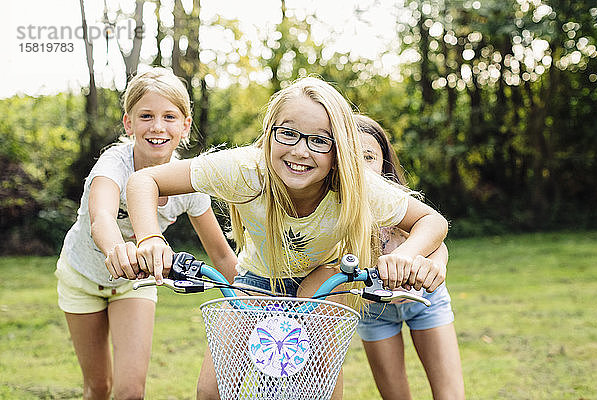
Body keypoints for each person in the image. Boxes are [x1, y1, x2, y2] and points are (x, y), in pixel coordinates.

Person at [124, 76, 449, 400]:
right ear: (269, 134)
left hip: (324, 275)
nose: (300, 151)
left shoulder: (354, 184)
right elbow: (144, 181)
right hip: (258, 277)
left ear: (339, 150)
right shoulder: (245, 169)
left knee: (318, 381)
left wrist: (406, 255)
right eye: (288, 134)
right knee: (212, 390)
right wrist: (150, 238)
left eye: (320, 141)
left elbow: (431, 221)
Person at [55, 67, 238, 400]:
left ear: (185, 126)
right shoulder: (113, 164)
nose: (157, 126)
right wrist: (117, 249)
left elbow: (222, 254)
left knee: (130, 393)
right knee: (99, 388)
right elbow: (102, 218)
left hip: (132, 286)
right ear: (129, 124)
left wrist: (255, 297)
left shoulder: (190, 182)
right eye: (146, 116)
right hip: (82, 277)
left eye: (169, 117)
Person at [355, 114, 465, 400]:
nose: (362, 166)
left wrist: (438, 265)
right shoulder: (332, 211)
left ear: (383, 162)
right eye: (352, 156)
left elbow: (436, 240)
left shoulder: (397, 202)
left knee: (450, 396)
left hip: (425, 301)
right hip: (374, 311)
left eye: (369, 156)